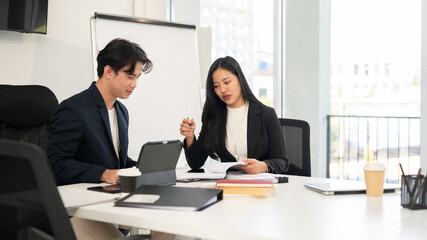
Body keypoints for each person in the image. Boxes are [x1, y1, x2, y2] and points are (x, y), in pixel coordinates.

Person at [47, 38, 153, 186]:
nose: (134, 84)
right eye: (130, 77)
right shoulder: (74, 109)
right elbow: (55, 165)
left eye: (137, 78)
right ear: (108, 71)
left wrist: (146, 169)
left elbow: (118, 162)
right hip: (82, 196)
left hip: (110, 193)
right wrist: (102, 174)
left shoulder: (121, 112)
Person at [180, 56, 288, 174]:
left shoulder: (266, 114)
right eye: (216, 86)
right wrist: (190, 137)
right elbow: (196, 163)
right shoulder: (214, 117)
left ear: (239, 79)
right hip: (229, 186)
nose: (222, 90)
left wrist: (263, 166)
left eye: (227, 82)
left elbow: (281, 161)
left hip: (260, 185)